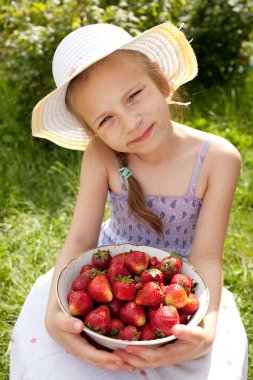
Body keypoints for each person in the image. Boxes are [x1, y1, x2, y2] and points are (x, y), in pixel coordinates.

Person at [10, 22, 248, 379]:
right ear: (94, 131)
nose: (130, 122)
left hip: (182, 288)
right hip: (109, 278)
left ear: (162, 82)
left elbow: (207, 257)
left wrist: (207, 327)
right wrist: (54, 313)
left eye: (133, 95)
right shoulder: (102, 156)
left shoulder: (218, 159)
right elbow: (80, 240)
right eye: (106, 119)